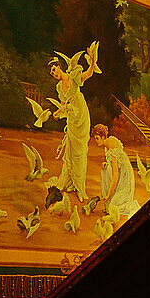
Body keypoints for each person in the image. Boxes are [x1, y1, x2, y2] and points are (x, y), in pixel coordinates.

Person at [49, 50, 97, 202]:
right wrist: (56, 113)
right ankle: (70, 182)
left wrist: (93, 61)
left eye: (54, 69)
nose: (53, 73)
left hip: (81, 117)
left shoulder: (73, 76)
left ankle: (80, 188)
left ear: (59, 66)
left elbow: (88, 75)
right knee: (70, 153)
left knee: (80, 153)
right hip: (71, 118)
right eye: (51, 72)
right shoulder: (58, 87)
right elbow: (63, 105)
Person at [92, 123, 140, 218]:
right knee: (105, 169)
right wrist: (107, 163)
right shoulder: (107, 144)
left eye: (97, 138)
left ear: (103, 136)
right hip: (121, 172)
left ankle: (111, 199)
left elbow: (115, 175)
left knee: (113, 208)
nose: (96, 141)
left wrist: (108, 195)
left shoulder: (110, 144)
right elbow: (114, 163)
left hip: (124, 177)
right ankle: (110, 200)